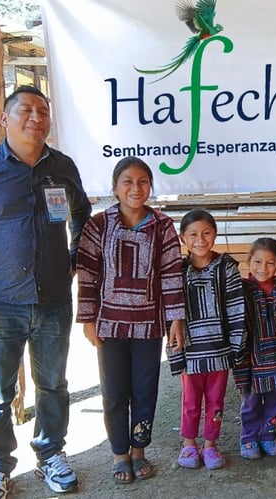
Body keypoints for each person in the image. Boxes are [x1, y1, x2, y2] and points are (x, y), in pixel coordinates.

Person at [0, 85, 91, 499]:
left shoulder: (62, 167)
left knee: (53, 385)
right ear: (3, 119)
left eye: (42, 111)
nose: (35, 118)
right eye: (25, 110)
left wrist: (75, 255)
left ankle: (51, 454)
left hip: (53, 300)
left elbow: (81, 212)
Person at [76, 156, 186, 484]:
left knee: (145, 389)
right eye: (128, 182)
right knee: (114, 392)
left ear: (150, 186)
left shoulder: (162, 226)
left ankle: (139, 450)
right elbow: (87, 273)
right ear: (115, 188)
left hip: (149, 326)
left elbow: (171, 274)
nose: (135, 188)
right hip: (109, 325)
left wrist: (175, 319)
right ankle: (119, 454)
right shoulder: (98, 225)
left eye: (142, 181)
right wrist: (87, 318)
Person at [174, 209, 246, 471]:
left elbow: (237, 308)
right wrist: (175, 354)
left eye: (206, 233)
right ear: (183, 238)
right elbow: (171, 312)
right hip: (191, 351)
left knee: (216, 401)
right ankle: (189, 443)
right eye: (193, 234)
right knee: (190, 401)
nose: (200, 240)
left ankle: (210, 444)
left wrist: (236, 348)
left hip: (220, 350)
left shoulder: (227, 267)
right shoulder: (177, 271)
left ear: (215, 234)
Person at [234, 237, 276, 459]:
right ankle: (248, 439)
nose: (263, 268)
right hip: (252, 361)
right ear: (249, 262)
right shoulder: (242, 289)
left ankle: (268, 437)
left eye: (270, 263)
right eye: (257, 262)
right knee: (251, 403)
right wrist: (240, 362)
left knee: (275, 403)